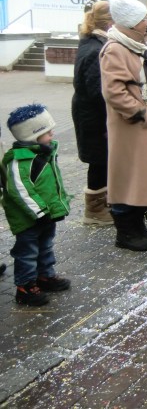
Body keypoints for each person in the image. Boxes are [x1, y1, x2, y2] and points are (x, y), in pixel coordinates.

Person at [100, 0, 147, 252]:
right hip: (132, 125)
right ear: (130, 23)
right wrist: (140, 113)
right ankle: (126, 231)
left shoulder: (141, 45)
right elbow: (114, 91)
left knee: (144, 176)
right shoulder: (115, 49)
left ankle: (138, 225)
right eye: (143, 18)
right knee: (129, 177)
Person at [1, 104, 71, 306]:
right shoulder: (20, 162)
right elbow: (20, 191)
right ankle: (25, 286)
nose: (52, 134)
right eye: (47, 132)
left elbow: (53, 184)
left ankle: (45, 276)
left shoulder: (43, 154)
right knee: (27, 252)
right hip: (30, 218)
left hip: (46, 215)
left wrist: (59, 205)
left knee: (46, 246)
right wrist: (40, 211)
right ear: (33, 136)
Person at [72, 0, 114, 226]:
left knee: (101, 160)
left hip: (90, 114)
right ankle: (94, 211)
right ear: (109, 23)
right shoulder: (96, 49)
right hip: (93, 117)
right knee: (99, 161)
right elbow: (98, 91)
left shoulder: (92, 42)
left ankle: (101, 205)